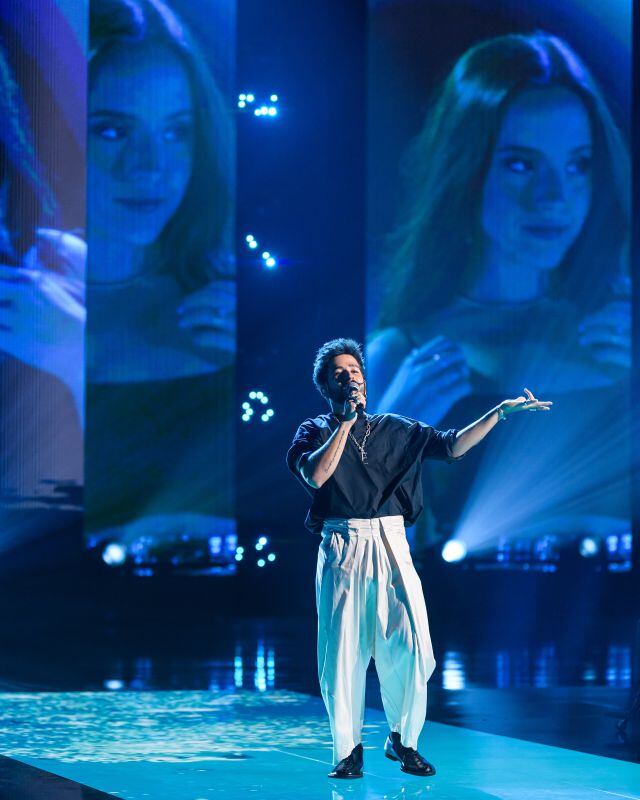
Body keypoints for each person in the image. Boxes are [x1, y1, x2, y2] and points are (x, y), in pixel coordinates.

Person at [367, 32, 630, 551]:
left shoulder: (621, 332)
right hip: (464, 624)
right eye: (520, 164)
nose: (554, 196)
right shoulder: (402, 355)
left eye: (577, 164)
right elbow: (369, 565)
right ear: (467, 170)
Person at [286, 338, 552, 778]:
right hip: (344, 544)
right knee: (344, 654)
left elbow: (451, 446)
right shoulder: (313, 431)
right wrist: (345, 425)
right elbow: (316, 475)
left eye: (355, 370)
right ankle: (348, 751)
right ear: (325, 387)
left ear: (365, 381)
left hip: (392, 541)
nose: (349, 377)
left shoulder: (396, 427)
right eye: (339, 373)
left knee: (413, 648)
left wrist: (499, 414)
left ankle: (402, 740)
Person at [85, 0, 235, 553]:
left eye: (176, 132)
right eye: (111, 130)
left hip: (221, 624)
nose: (149, 166)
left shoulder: (231, 301)